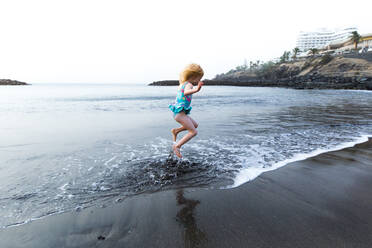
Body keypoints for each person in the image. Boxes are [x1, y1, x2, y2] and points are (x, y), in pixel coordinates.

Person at [169, 63, 204, 158]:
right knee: (193, 132)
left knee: (195, 125)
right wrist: (197, 89)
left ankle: (176, 131)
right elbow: (186, 92)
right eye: (199, 78)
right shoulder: (189, 85)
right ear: (194, 76)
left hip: (180, 114)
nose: (199, 80)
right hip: (180, 114)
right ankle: (177, 146)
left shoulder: (182, 84)